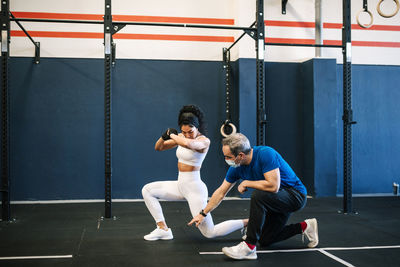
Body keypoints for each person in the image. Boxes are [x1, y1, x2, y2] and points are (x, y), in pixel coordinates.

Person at [188, 133, 318, 260]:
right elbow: (221, 192)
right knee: (266, 239)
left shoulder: (265, 154)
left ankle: (249, 247)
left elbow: (274, 186)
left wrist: (247, 182)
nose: (226, 160)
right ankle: (305, 226)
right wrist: (203, 213)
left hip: (295, 196)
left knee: (258, 196)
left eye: (228, 157)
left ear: (240, 155)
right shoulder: (237, 167)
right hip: (274, 200)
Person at [142, 105, 247, 241]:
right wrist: (164, 136)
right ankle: (163, 229)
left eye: (190, 131)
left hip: (194, 189)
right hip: (180, 186)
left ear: (197, 127)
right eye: (184, 132)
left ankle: (247, 222)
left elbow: (189, 144)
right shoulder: (181, 137)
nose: (187, 135)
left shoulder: (204, 141)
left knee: (210, 232)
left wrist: (173, 135)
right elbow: (159, 147)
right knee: (147, 190)